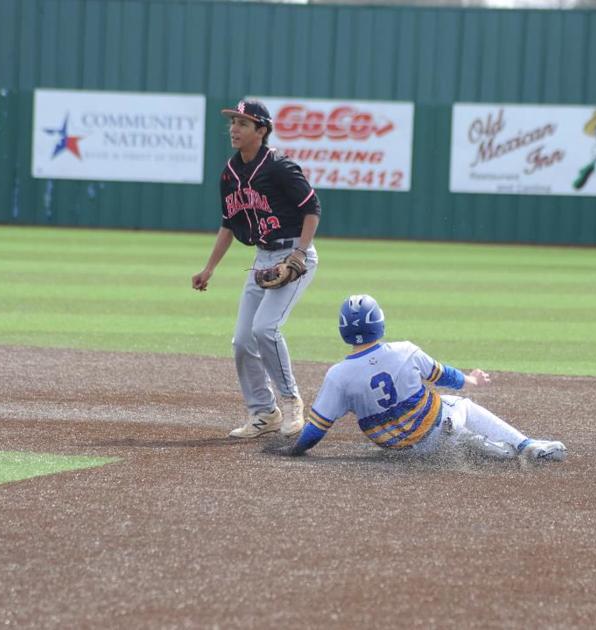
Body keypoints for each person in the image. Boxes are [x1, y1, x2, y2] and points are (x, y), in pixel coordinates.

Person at [288, 294, 567, 462]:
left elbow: (313, 434)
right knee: (461, 406)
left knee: (445, 423)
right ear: (379, 322)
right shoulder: (405, 351)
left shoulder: (337, 376)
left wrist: (292, 450)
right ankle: (524, 445)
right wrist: (471, 380)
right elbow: (443, 375)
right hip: (436, 430)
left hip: (397, 451)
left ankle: (488, 447)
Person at [192, 99, 321, 438]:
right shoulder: (229, 173)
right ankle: (264, 412)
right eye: (233, 122)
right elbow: (228, 224)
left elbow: (312, 208)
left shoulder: (279, 167)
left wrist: (299, 253)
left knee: (265, 329)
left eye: (243, 123)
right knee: (242, 341)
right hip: (262, 259)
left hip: (293, 255)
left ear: (261, 130)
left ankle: (291, 402)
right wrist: (209, 269)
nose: (234, 128)